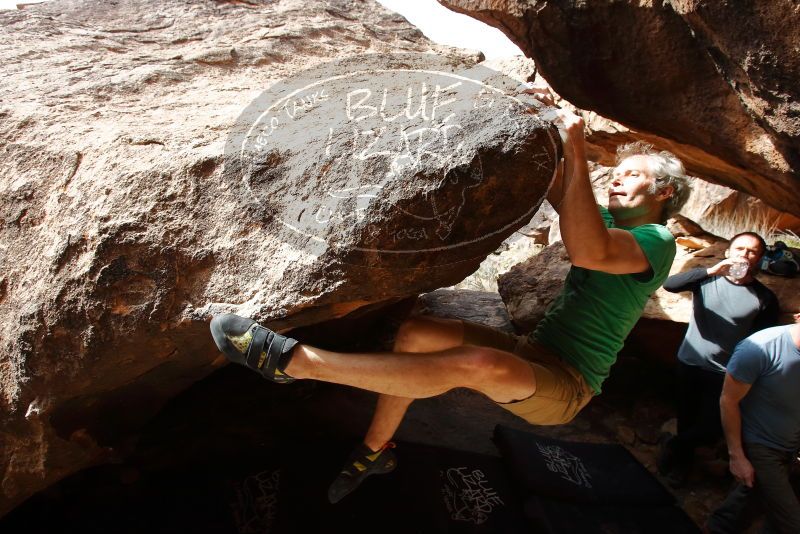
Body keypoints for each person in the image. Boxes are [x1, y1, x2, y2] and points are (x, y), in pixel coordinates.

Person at [210, 93, 691, 503]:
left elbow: (588, 249)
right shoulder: (608, 221)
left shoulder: (657, 239)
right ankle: (374, 451)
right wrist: (544, 121)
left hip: (569, 384)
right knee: (417, 333)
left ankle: (299, 362)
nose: (618, 179)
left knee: (478, 365)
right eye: (617, 172)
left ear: (664, 190)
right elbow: (560, 188)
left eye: (631, 174)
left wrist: (578, 146)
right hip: (535, 352)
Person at [659, 233, 779, 485]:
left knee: (712, 427)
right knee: (686, 417)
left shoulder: (764, 297)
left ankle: (674, 446)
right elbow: (670, 284)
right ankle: (681, 464)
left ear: (759, 259)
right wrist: (711, 270)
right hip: (689, 361)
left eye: (752, 251)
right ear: (728, 252)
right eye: (739, 248)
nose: (744, 255)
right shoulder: (706, 281)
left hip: (724, 372)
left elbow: (760, 341)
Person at [706, 314, 800, 534]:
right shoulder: (760, 348)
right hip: (760, 446)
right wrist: (736, 455)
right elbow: (728, 400)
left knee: (750, 503)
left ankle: (717, 527)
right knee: (792, 524)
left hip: (790, 445)